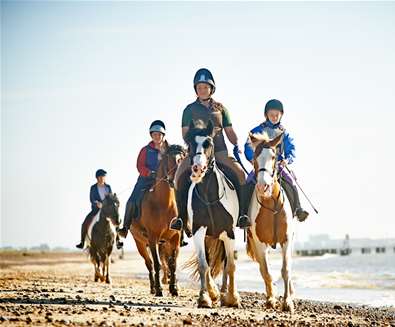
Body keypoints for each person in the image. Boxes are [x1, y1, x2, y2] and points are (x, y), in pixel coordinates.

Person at [170, 68, 251, 236]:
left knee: (241, 174)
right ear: (196, 90)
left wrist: (236, 144)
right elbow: (185, 133)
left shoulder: (221, 109)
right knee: (178, 177)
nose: (202, 90)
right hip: (197, 153)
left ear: (211, 88)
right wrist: (195, 146)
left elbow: (229, 130)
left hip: (219, 151)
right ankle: (181, 219)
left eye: (205, 87)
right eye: (199, 87)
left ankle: (243, 215)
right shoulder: (189, 110)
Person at [244, 99, 309, 221]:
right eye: (271, 115)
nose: (274, 117)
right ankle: (244, 214)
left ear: (281, 115)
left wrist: (287, 160)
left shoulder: (284, 133)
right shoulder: (257, 131)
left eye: (276, 115)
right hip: (261, 165)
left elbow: (291, 148)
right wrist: (252, 160)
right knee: (247, 183)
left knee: (291, 182)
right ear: (266, 115)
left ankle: (298, 208)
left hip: (278, 165)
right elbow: (248, 147)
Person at [117, 120, 169, 240]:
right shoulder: (145, 150)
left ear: (163, 136)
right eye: (154, 134)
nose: (157, 137)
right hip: (146, 180)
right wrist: (149, 172)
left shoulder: (169, 150)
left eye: (159, 134)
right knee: (131, 200)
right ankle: (125, 227)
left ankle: (182, 229)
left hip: (164, 181)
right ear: (151, 135)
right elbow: (139, 165)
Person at [76, 169, 112, 249]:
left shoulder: (108, 187)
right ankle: (82, 242)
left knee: (116, 219)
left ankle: (118, 240)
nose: (102, 178)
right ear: (97, 178)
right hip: (96, 210)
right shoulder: (93, 188)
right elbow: (91, 199)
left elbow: (111, 198)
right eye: (100, 177)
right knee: (84, 223)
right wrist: (97, 203)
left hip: (107, 210)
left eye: (103, 177)